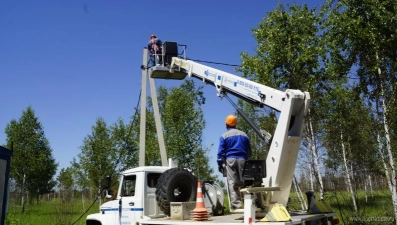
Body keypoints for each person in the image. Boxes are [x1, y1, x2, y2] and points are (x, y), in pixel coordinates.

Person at [217, 115, 251, 209]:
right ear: (236, 124)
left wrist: (220, 163)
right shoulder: (244, 135)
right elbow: (249, 150)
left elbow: (221, 152)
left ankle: (237, 205)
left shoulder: (224, 136)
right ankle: (249, 203)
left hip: (230, 159)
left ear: (226, 124)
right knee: (244, 181)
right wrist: (246, 158)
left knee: (232, 182)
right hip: (242, 159)